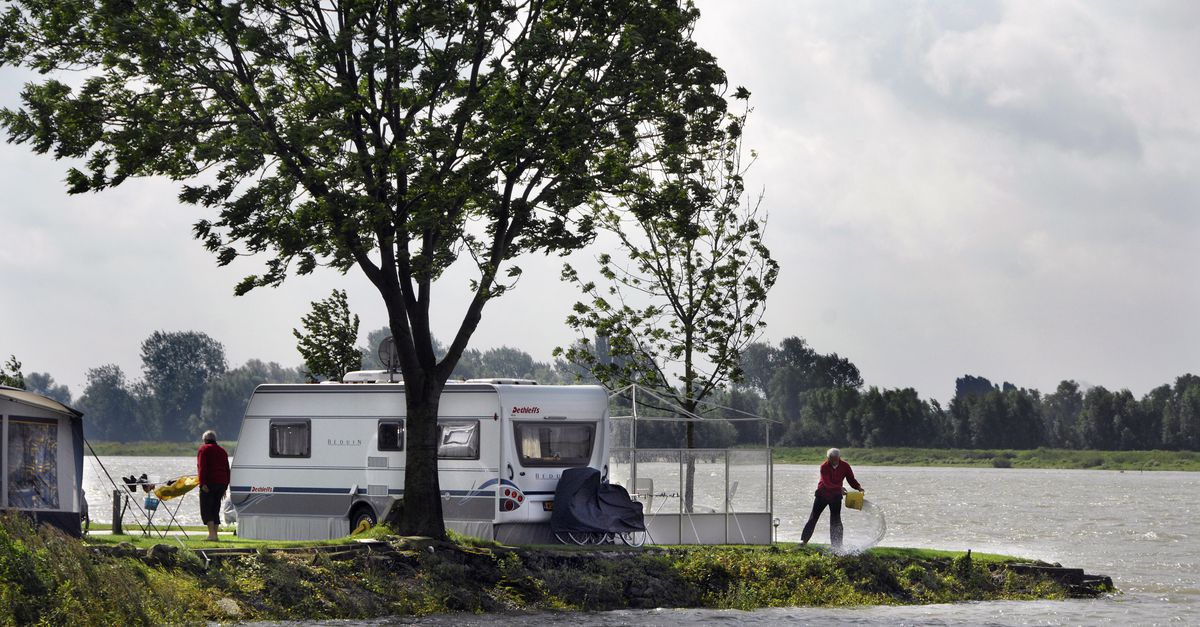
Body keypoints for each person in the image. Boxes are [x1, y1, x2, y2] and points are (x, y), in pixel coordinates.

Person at [800, 447, 864, 550]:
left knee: (836, 520)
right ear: (828, 458)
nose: (834, 461)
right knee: (813, 518)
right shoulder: (824, 466)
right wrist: (839, 488)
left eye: (836, 458)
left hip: (835, 497)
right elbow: (827, 483)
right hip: (822, 494)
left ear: (839, 457)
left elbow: (851, 479)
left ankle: (837, 545)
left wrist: (858, 487)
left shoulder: (845, 466)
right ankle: (804, 541)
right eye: (832, 458)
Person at [197, 430, 230, 542]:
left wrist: (202, 483)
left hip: (209, 483)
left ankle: (212, 535)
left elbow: (202, 467)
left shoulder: (204, 449)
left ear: (205, 440)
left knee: (207, 509)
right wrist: (225, 486)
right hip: (222, 483)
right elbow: (227, 469)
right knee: (215, 509)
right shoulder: (222, 451)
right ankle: (215, 535)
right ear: (215, 439)